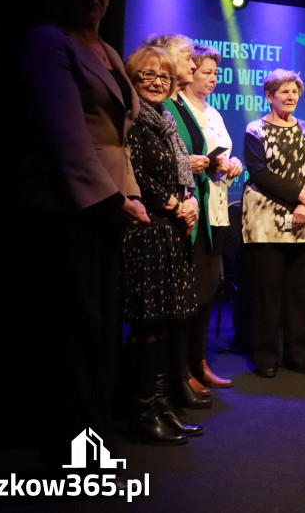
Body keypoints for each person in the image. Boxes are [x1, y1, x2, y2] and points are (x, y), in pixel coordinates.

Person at [21, 0, 149, 465]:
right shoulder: (49, 41)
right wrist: (112, 199)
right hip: (71, 208)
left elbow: (120, 138)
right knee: (74, 332)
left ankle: (94, 445)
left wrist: (132, 195)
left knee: (100, 330)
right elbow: (66, 134)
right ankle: (70, 458)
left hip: (110, 208)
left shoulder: (108, 52)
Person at [121, 44, 203, 445]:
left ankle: (160, 406)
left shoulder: (165, 120)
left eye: (164, 78)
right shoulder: (132, 119)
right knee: (148, 324)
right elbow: (134, 171)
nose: (156, 83)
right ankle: (141, 411)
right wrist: (173, 202)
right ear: (132, 79)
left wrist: (188, 199)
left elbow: (178, 171)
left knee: (168, 322)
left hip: (170, 232)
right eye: (147, 76)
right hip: (147, 231)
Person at [242, 69, 305, 376]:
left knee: (302, 292)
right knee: (267, 293)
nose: (291, 97)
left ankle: (299, 355)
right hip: (266, 221)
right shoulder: (256, 129)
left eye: (294, 91)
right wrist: (299, 198)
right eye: (284, 92)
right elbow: (258, 172)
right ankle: (266, 357)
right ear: (269, 96)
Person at [143, 34, 211, 409]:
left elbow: (181, 158)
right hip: (161, 218)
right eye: (187, 57)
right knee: (160, 315)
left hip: (186, 213)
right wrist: (176, 200)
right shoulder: (150, 108)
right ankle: (164, 389)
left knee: (186, 303)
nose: (192, 62)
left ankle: (179, 376)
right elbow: (146, 165)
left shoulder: (174, 108)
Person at [181, 43, 242, 388]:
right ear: (189, 73)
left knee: (208, 289)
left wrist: (232, 163)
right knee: (192, 290)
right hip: (193, 211)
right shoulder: (180, 109)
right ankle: (184, 368)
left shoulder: (215, 113)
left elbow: (226, 154)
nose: (213, 79)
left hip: (217, 209)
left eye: (216, 73)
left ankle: (198, 361)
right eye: (206, 72)